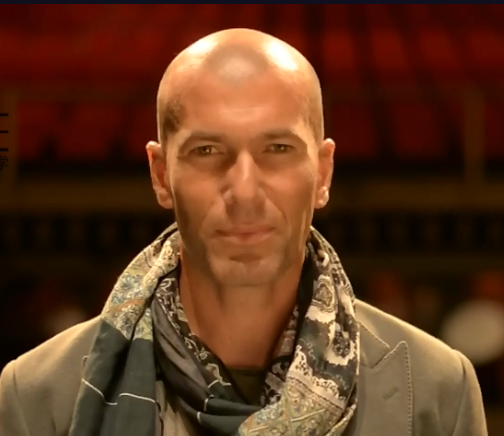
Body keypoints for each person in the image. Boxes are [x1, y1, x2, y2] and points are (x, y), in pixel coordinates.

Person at [0, 28, 487, 436]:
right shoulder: (38, 396)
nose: (246, 190)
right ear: (161, 175)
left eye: (278, 148)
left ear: (323, 173)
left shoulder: (437, 391)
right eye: (207, 151)